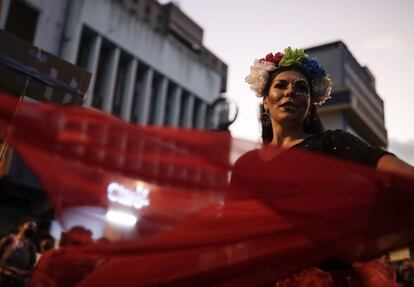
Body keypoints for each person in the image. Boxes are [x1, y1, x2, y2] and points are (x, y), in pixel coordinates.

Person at [233, 47, 414, 286]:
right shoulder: (247, 165)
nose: (291, 92)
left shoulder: (333, 143)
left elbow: (398, 172)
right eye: (281, 85)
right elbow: (230, 231)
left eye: (301, 88)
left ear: (309, 104)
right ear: (266, 100)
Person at [0, 220, 38, 287]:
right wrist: (2, 270)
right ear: (21, 227)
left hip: (18, 282)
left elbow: (31, 270)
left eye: (34, 228)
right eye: (29, 226)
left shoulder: (31, 248)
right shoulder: (8, 240)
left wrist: (19, 273)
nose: (31, 229)